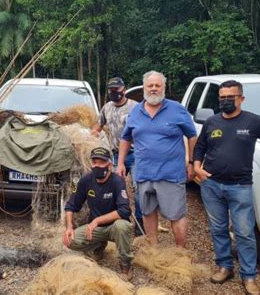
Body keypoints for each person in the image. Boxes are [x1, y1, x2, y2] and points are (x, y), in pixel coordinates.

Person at [194, 80, 260, 295]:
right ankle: (224, 267)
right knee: (218, 229)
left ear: (241, 99)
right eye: (222, 98)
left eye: (231, 97)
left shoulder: (254, 122)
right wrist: (196, 168)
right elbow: (200, 147)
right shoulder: (211, 122)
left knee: (245, 233)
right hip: (211, 185)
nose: (226, 101)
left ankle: (249, 277)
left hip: (240, 186)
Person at [117, 70, 197, 247]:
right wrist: (121, 162)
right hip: (144, 173)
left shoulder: (177, 109)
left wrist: (191, 162)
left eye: (157, 85)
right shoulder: (135, 112)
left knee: (176, 215)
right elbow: (125, 138)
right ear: (144, 88)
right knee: (148, 212)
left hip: (171, 174)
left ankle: (179, 253)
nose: (153, 89)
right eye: (150, 85)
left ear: (164, 88)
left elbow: (192, 136)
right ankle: (153, 250)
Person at [62, 147, 133, 279]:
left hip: (114, 227)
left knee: (122, 226)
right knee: (70, 241)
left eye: (101, 162)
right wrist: (69, 227)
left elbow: (124, 210)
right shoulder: (85, 180)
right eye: (94, 162)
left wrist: (97, 220)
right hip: (96, 229)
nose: (97, 166)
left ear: (109, 165)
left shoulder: (118, 181)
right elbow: (71, 205)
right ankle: (98, 247)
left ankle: (125, 265)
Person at [91, 77, 143, 235]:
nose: (115, 93)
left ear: (124, 89)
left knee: (139, 189)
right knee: (112, 188)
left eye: (117, 90)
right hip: (114, 155)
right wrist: (87, 138)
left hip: (135, 154)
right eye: (111, 90)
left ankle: (140, 224)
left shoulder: (135, 107)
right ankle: (118, 220)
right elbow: (97, 127)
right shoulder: (106, 108)